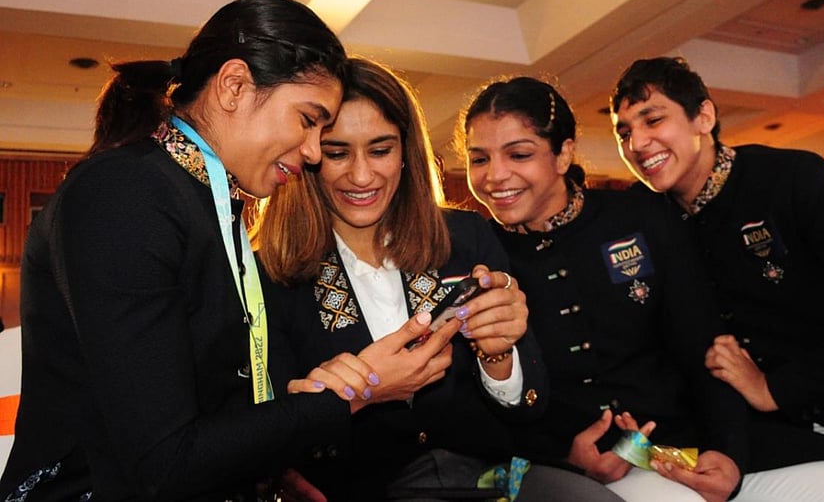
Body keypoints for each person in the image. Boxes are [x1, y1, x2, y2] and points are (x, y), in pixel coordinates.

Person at [0, 0, 452, 500]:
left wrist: (270, 473)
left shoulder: (207, 203)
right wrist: (352, 394)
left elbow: (208, 408)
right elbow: (164, 462)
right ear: (235, 86)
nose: (313, 151)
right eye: (308, 119)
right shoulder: (125, 194)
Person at [253, 57, 624, 502]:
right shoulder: (271, 272)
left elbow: (528, 404)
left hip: (494, 473)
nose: (361, 175)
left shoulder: (466, 237)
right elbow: (271, 433)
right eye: (337, 153)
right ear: (309, 156)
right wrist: (333, 400)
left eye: (380, 149)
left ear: (406, 153)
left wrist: (499, 356)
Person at [610, 57, 824, 496]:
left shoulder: (796, 180)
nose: (637, 143)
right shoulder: (651, 220)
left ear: (703, 117)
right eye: (624, 132)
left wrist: (774, 388)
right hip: (771, 442)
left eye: (652, 119)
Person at [458, 76, 754, 502]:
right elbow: (477, 403)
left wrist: (727, 451)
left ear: (563, 154)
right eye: (479, 159)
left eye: (519, 154)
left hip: (686, 443)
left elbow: (704, 345)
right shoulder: (475, 256)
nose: (495, 176)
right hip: (555, 470)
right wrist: (565, 456)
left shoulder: (641, 217)